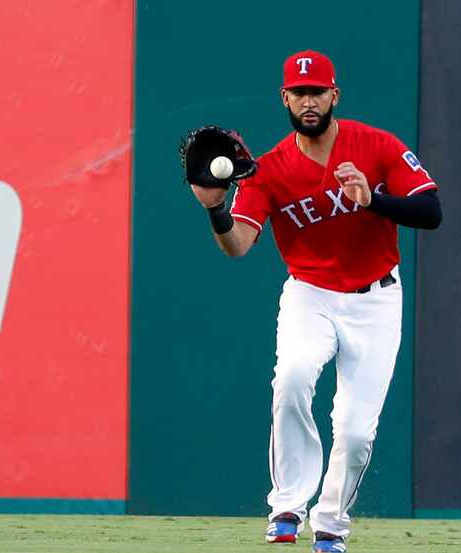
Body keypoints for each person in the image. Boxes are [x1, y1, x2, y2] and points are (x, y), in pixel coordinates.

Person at [189, 49, 442, 553]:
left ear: (334, 95)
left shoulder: (377, 145)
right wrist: (216, 210)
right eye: (299, 93)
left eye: (317, 91)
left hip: (376, 299)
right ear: (285, 98)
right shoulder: (270, 170)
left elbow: (430, 211)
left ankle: (330, 524)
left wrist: (374, 200)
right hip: (310, 293)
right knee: (293, 377)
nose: (309, 100)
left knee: (354, 432)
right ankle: (287, 505)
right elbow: (238, 245)